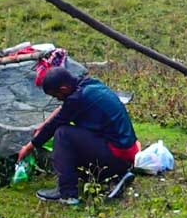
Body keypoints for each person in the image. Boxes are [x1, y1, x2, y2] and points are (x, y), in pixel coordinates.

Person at [17, 55, 139, 204]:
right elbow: (62, 110)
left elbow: (55, 124)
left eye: (56, 95)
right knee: (69, 140)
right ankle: (116, 176)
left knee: (63, 134)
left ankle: (67, 194)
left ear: (63, 88)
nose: (57, 99)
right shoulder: (88, 84)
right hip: (128, 153)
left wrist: (28, 147)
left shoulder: (77, 99)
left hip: (118, 154)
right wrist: (43, 124)